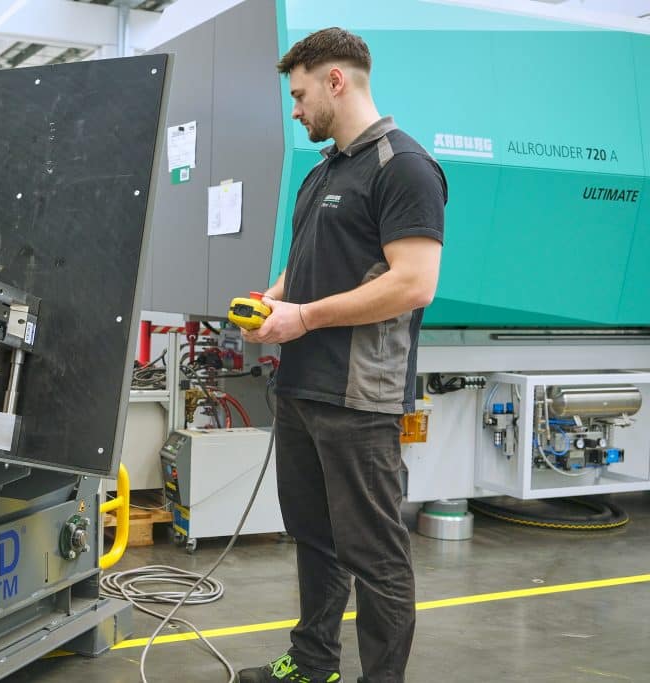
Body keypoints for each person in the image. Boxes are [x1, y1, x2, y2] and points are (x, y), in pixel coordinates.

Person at [238, 27, 447, 683]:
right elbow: (302, 270)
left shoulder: (403, 166)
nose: (295, 109)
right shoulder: (323, 171)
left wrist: (302, 317)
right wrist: (272, 301)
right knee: (315, 537)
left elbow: (414, 282)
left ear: (337, 80)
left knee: (376, 554)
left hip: (361, 398)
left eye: (299, 95)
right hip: (302, 386)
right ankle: (312, 663)